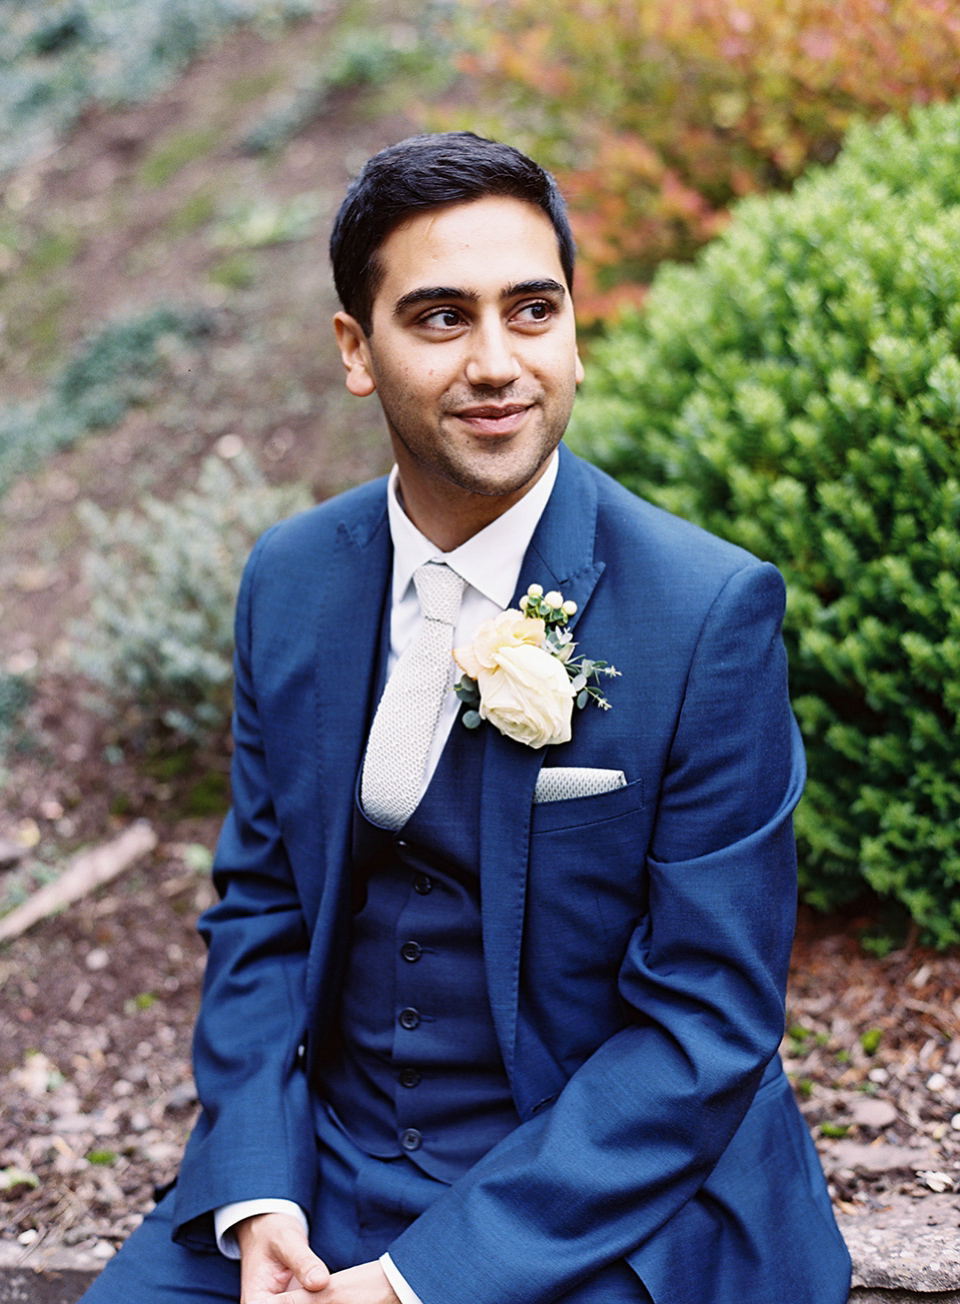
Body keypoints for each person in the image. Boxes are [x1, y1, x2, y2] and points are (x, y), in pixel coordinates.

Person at [80, 132, 851, 1304]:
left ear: (575, 333)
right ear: (356, 348)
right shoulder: (288, 581)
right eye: (442, 317)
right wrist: (260, 1192)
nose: (499, 361)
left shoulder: (704, 615)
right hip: (324, 1176)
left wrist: (416, 1280)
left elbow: (705, 1024)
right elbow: (264, 910)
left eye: (532, 310)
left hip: (601, 1199)